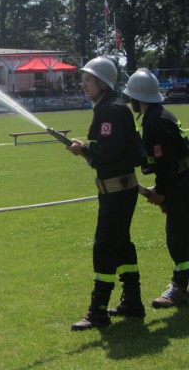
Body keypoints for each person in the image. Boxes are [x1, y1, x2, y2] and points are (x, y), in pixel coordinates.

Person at [65, 56, 145, 330]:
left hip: (117, 191)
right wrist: (87, 147)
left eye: (88, 80)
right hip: (118, 189)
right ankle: (132, 303)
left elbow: (108, 153)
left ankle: (97, 311)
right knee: (122, 245)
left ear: (101, 82)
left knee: (104, 247)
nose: (83, 84)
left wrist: (83, 150)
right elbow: (113, 148)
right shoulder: (110, 107)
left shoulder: (110, 110)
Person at [123, 68, 189, 308]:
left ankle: (180, 289)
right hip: (182, 181)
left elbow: (165, 163)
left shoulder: (155, 122)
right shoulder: (162, 115)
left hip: (181, 184)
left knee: (179, 239)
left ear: (136, 98)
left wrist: (161, 191)